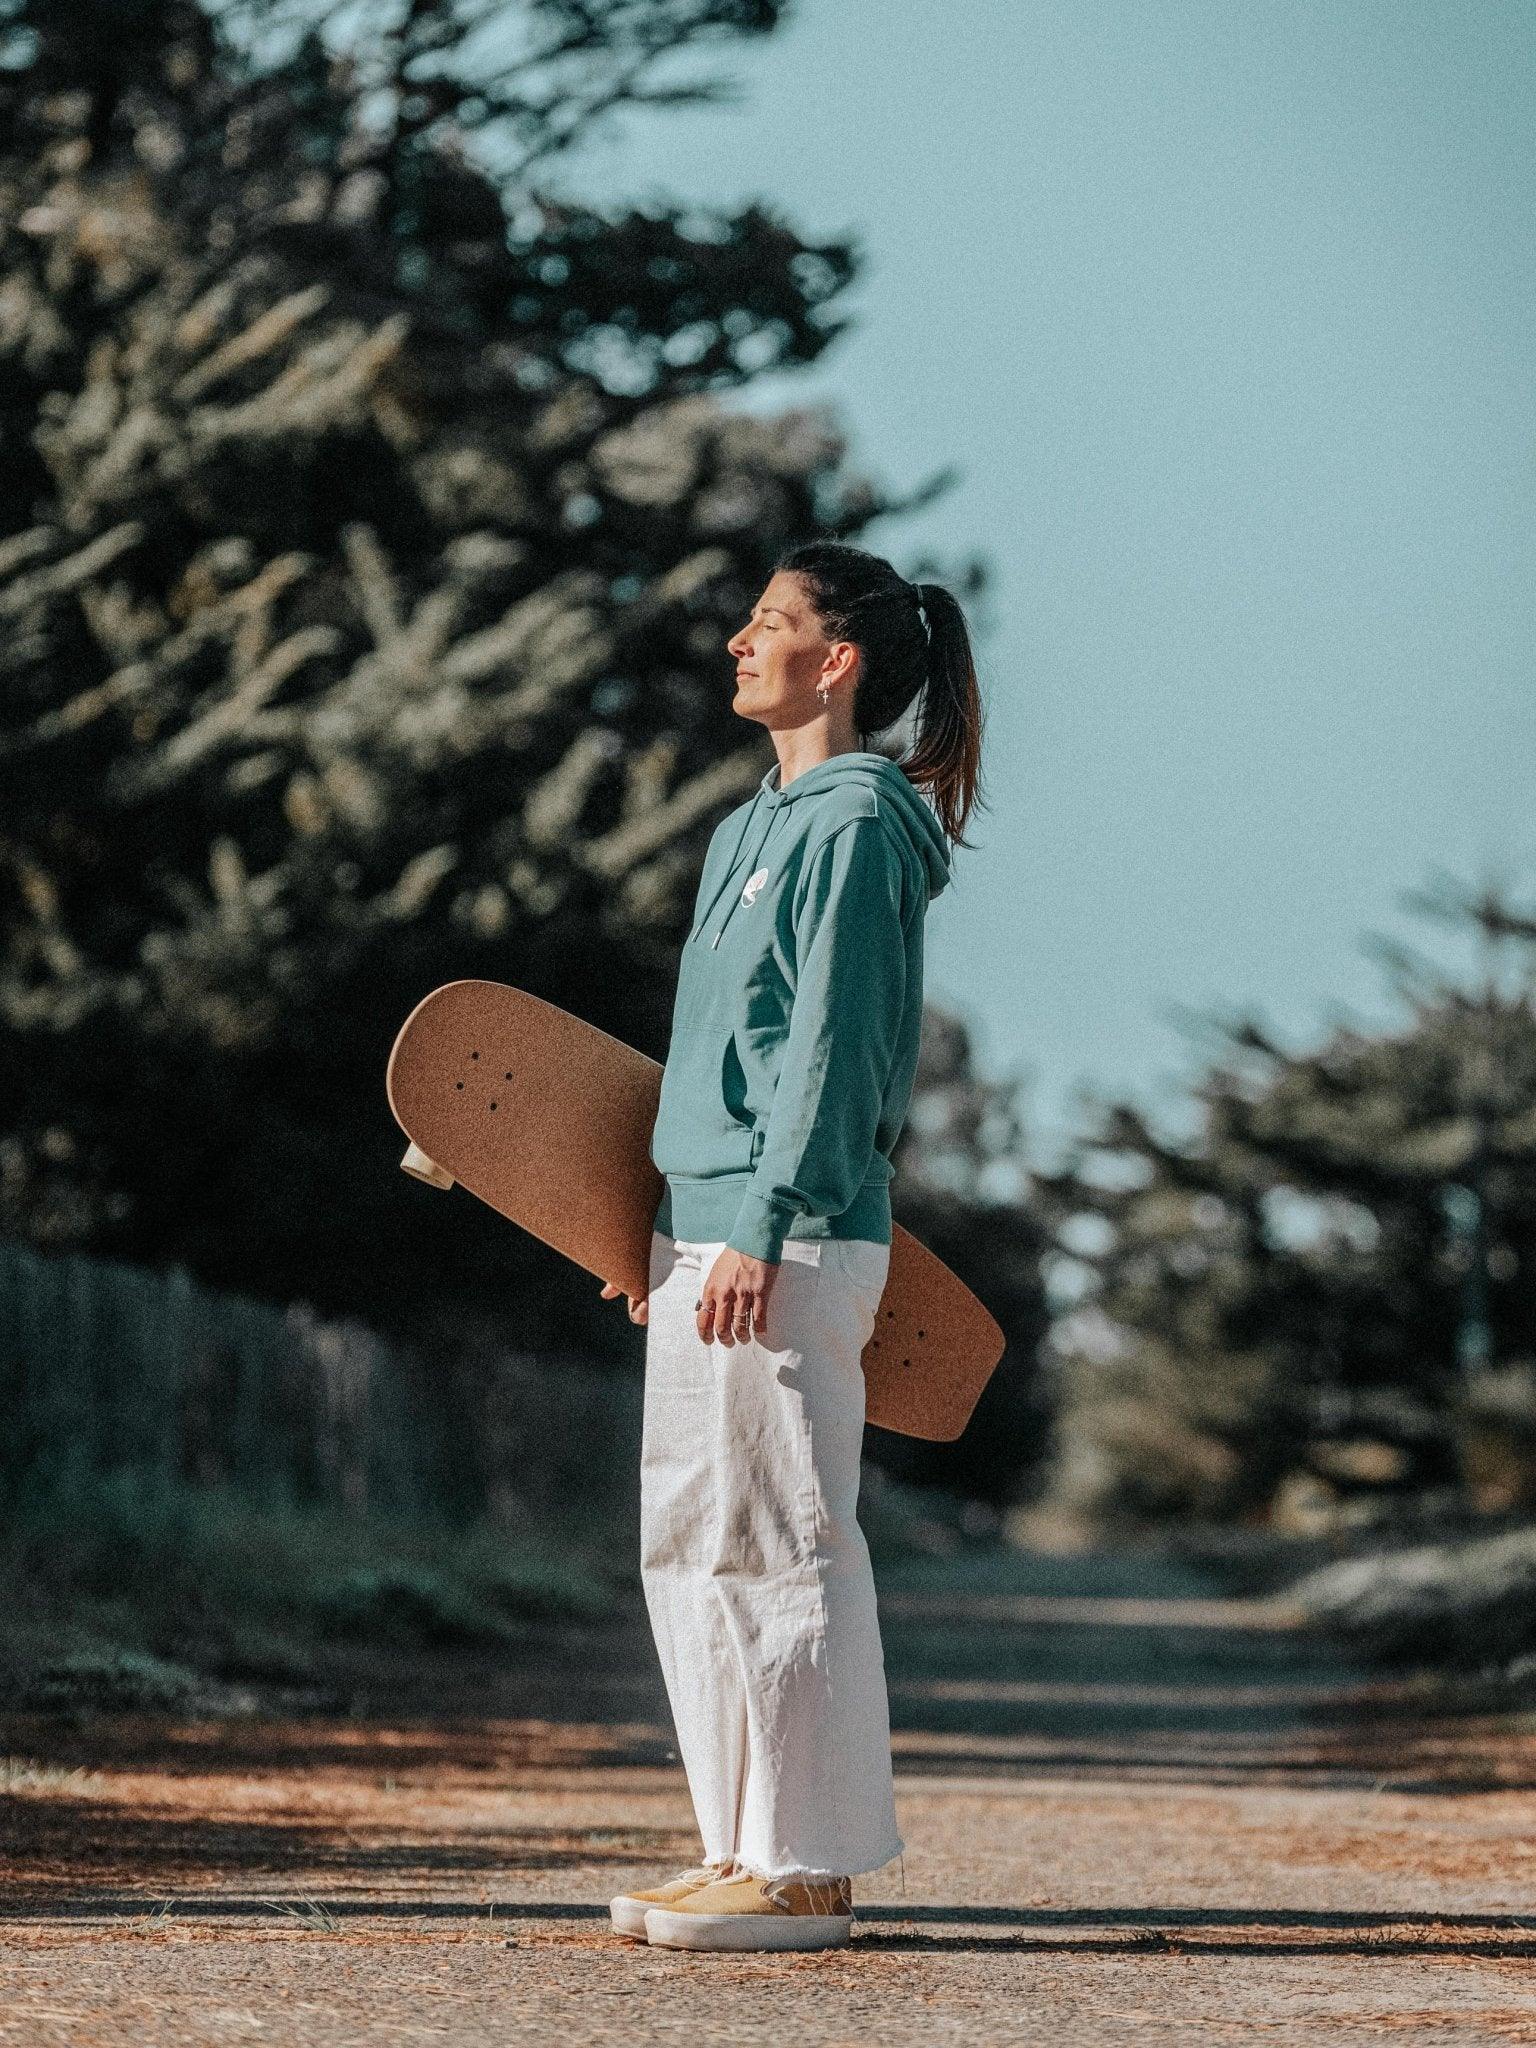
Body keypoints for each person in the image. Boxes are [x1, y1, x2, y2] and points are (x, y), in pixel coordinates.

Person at [600, 540, 987, 1953]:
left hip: (796, 1235)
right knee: (688, 1544)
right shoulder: (747, 827)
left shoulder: (861, 823)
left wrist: (763, 1219)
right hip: (700, 1233)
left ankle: (808, 1865)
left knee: (784, 1542)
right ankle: (735, 1844)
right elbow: (716, 1057)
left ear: (839, 662)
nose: (736, 646)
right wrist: (635, 1226)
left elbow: (836, 1053)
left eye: (768, 625)